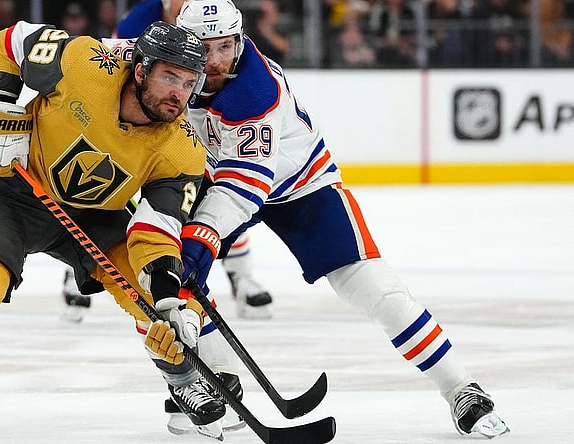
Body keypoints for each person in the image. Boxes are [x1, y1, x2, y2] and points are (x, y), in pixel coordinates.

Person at [0, 20, 233, 443]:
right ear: (141, 70)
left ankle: (183, 384)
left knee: (155, 295)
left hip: (93, 215)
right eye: (170, 77)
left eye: (189, 82)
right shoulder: (83, 64)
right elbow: (9, 41)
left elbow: (157, 228)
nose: (179, 93)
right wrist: (2, 107)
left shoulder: (183, 148)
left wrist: (165, 300)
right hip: (9, 190)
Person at [175, 0, 510, 438]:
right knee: (171, 268)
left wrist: (202, 238)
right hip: (219, 175)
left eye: (225, 46)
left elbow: (243, 186)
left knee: (376, 289)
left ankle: (460, 387)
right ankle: (218, 377)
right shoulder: (170, 67)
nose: (217, 60)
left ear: (239, 40)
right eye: (205, 48)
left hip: (299, 186)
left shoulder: (254, 91)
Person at [61, 0, 274, 323]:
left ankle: (240, 276)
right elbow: (115, 71)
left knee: (215, 197)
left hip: (197, 129)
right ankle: (77, 269)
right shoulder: (139, 21)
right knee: (100, 193)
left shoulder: (215, 24)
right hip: (149, 127)